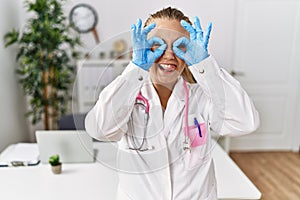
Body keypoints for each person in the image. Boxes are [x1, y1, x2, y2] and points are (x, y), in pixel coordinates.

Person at [85, 7, 259, 200]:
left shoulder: (201, 98)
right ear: (143, 47)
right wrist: (135, 70)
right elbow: (100, 129)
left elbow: (245, 122)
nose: (169, 55)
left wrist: (205, 66)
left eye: (180, 46)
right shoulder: (126, 98)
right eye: (157, 45)